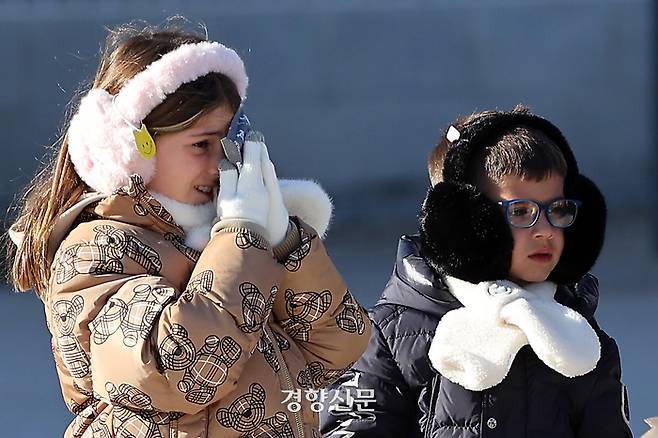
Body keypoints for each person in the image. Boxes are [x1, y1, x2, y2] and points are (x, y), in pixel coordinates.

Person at [8, 21, 371, 438]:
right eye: (201, 144)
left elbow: (338, 350)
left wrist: (283, 240)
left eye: (229, 139)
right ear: (129, 150)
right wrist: (240, 236)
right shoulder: (95, 250)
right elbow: (179, 373)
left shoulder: (234, 237)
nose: (222, 162)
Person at [320, 106, 632, 437]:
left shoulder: (579, 339)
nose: (546, 230)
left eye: (557, 209)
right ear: (464, 222)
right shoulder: (389, 336)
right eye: (522, 211)